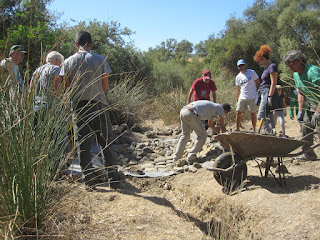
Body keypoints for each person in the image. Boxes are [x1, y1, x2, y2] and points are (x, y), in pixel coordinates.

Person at [60, 30, 121, 188]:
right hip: (98, 105)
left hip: (79, 107)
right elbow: (105, 86)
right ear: (91, 44)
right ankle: (113, 180)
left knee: (83, 144)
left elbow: (66, 88)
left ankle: (89, 181)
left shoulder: (67, 62)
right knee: (106, 142)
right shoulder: (100, 59)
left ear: (76, 44)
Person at [283, 50, 320, 160]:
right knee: (306, 127)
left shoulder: (312, 72)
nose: (289, 67)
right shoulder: (296, 74)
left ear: (299, 61)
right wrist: (300, 111)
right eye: (288, 65)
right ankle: (309, 154)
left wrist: (318, 112)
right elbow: (301, 92)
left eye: (291, 64)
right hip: (310, 104)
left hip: (318, 105)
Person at [254, 45, 281, 134]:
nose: (260, 63)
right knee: (268, 115)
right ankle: (272, 133)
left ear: (263, 58)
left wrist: (269, 96)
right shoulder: (267, 67)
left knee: (260, 115)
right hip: (264, 92)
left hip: (268, 93)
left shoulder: (272, 66)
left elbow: (273, 82)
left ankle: (268, 134)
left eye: (259, 61)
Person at [235, 59, 260, 132]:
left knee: (253, 113)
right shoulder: (238, 76)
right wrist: (237, 98)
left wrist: (259, 93)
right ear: (238, 67)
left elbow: (258, 83)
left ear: (245, 65)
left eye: (242, 65)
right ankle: (237, 129)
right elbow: (238, 89)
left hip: (252, 96)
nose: (241, 67)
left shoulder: (251, 72)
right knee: (238, 112)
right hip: (242, 97)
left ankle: (254, 129)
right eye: (240, 66)